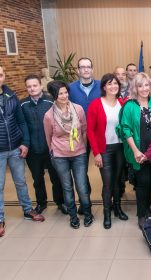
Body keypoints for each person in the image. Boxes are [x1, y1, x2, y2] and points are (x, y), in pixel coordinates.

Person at [0, 66, 45, 237]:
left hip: (16, 148)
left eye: (1, 75)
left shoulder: (11, 97)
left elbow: (22, 122)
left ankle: (27, 210)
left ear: (4, 77)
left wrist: (25, 143)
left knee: (20, 182)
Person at [44, 80, 93, 229]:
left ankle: (87, 212)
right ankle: (73, 216)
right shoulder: (49, 115)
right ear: (54, 95)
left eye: (66, 92)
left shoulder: (77, 109)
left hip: (79, 153)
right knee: (67, 187)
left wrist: (82, 147)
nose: (64, 96)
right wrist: (53, 152)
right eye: (60, 94)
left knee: (82, 186)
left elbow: (84, 129)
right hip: (60, 156)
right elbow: (48, 137)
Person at [116, 72, 151, 229]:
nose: (144, 88)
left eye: (147, 85)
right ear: (135, 87)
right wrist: (135, 151)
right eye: (140, 85)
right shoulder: (129, 106)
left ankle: (147, 207)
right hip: (138, 153)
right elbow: (125, 129)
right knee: (143, 183)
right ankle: (141, 215)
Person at [21, 75, 67, 215]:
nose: (32, 88)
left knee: (56, 177)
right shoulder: (22, 104)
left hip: (51, 148)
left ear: (41, 86)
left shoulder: (50, 101)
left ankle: (60, 202)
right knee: (37, 178)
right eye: (29, 86)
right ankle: (41, 203)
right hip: (33, 150)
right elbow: (22, 126)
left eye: (35, 85)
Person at [87, 73, 128, 229]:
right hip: (105, 149)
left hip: (120, 148)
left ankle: (117, 208)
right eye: (109, 84)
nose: (113, 87)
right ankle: (106, 213)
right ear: (104, 87)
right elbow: (90, 131)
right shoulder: (96, 104)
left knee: (118, 180)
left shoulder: (122, 103)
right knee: (108, 183)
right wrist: (96, 153)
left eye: (115, 84)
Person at [69, 57, 101, 213]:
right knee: (81, 170)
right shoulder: (70, 89)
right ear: (78, 70)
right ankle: (85, 200)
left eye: (88, 66)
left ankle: (112, 200)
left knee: (106, 168)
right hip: (79, 135)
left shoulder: (102, 86)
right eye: (82, 67)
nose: (86, 70)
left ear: (92, 69)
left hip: (99, 134)